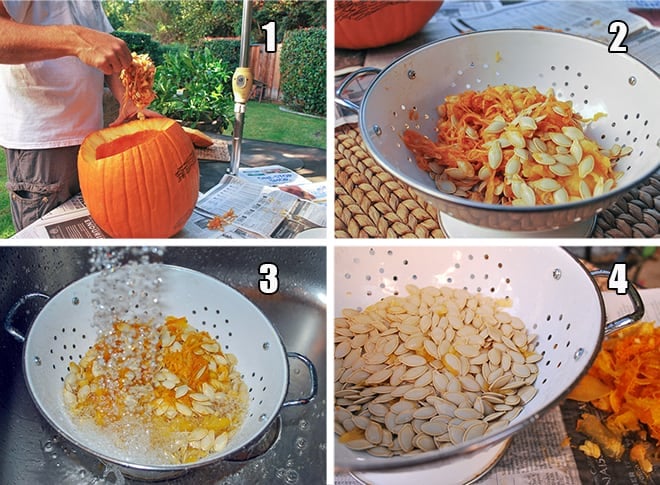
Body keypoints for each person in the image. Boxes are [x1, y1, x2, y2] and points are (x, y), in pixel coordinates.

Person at [0, 0, 157, 231]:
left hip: (93, 144)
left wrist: (130, 104)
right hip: (44, 146)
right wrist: (77, 39)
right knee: (45, 260)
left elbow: (105, 57)